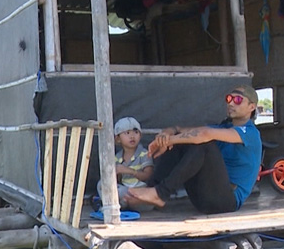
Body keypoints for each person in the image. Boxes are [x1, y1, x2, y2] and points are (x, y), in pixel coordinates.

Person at [127, 86, 262, 214]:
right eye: (229, 99)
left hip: (226, 201)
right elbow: (189, 132)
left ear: (252, 107)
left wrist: (169, 140)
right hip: (202, 196)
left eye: (238, 100)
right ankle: (152, 191)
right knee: (186, 140)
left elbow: (204, 135)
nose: (231, 104)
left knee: (204, 144)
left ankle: (160, 194)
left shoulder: (250, 133)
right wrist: (170, 132)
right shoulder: (223, 127)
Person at [98, 117, 154, 210]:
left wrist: (129, 171)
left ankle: (115, 206)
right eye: (127, 133)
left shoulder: (144, 153)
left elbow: (148, 176)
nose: (132, 136)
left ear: (140, 135)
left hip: (141, 196)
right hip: (124, 193)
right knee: (102, 184)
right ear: (118, 139)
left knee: (126, 193)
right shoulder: (117, 157)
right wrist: (116, 174)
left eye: (136, 132)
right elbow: (118, 181)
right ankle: (114, 205)